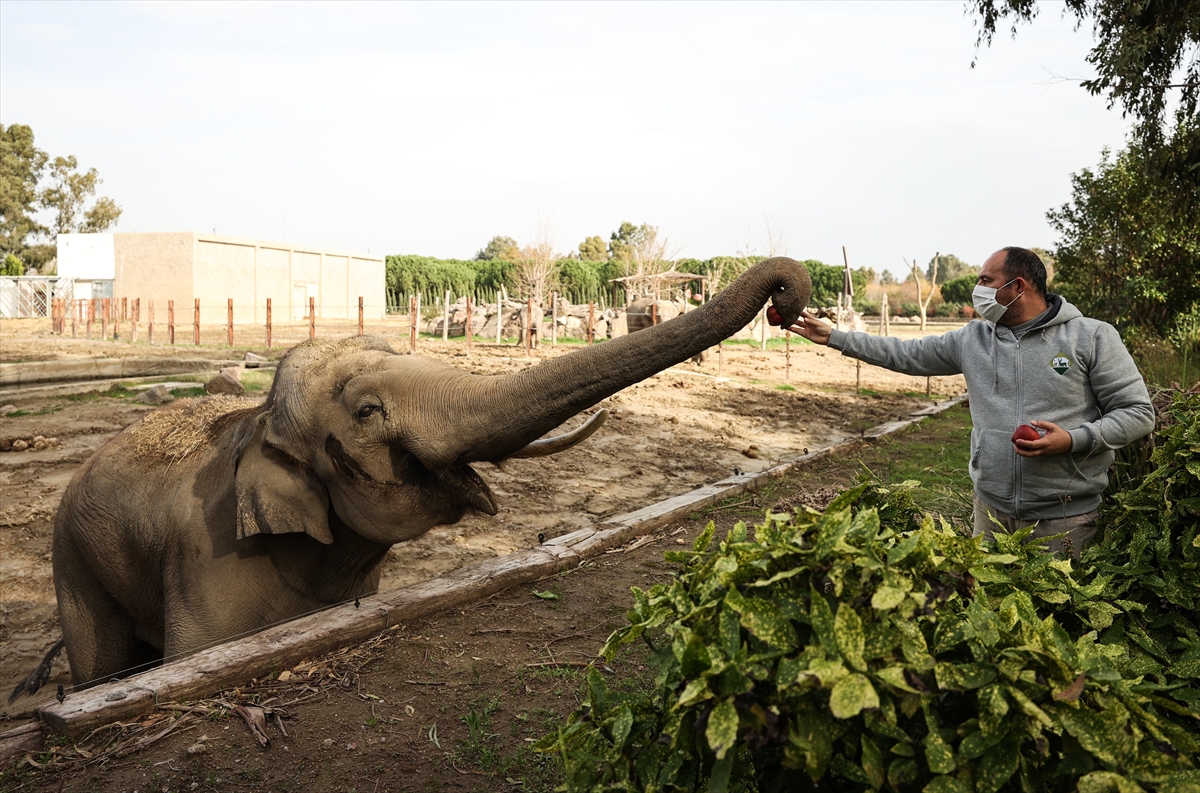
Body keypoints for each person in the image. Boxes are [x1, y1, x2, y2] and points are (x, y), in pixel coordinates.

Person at [787, 246, 1154, 556]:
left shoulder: (1091, 337)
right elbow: (905, 354)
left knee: (1055, 623)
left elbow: (1138, 413)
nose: (976, 290)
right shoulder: (973, 339)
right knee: (985, 616)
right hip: (990, 513)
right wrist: (836, 337)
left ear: (1018, 286)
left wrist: (1072, 440)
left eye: (985, 281)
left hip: (1065, 518)